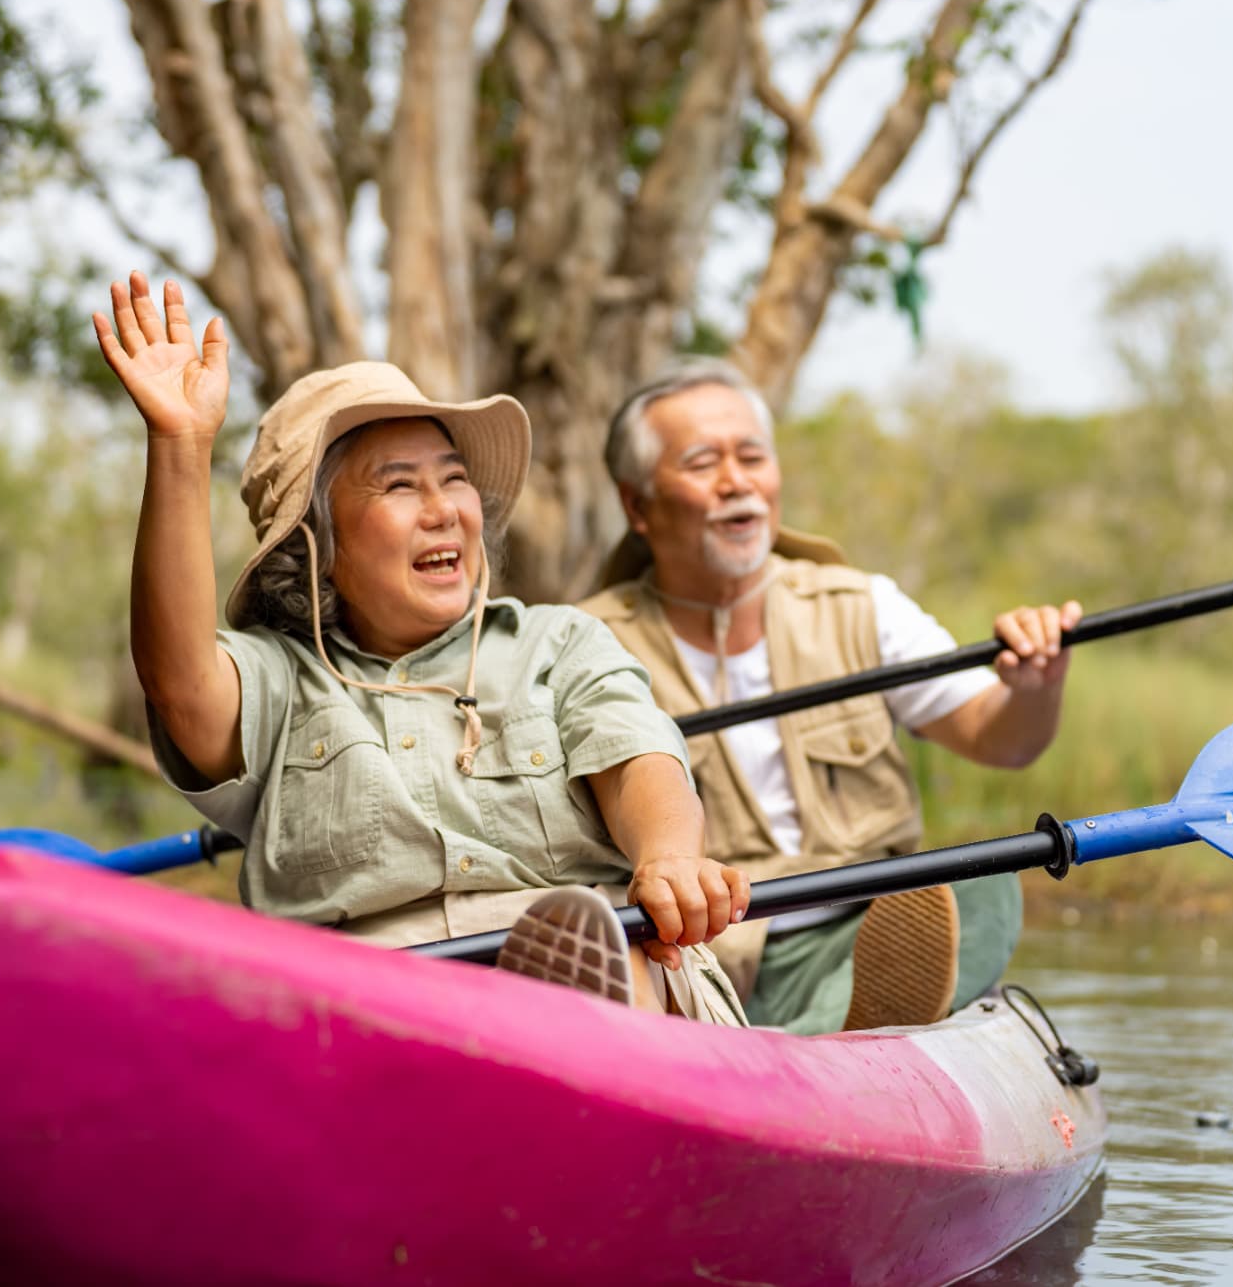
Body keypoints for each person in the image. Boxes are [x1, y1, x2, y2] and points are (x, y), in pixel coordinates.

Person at [92, 272, 749, 1021]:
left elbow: (642, 767)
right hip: (370, 1013)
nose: (444, 511)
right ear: (317, 544)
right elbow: (179, 683)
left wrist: (668, 857)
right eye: (399, 486)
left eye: (455, 479)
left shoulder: (556, 643)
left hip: (590, 965)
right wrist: (179, 444)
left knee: (609, 951)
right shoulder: (280, 679)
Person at [579, 359, 1080, 1033]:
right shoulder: (584, 643)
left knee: (989, 882)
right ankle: (809, 1046)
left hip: (867, 930)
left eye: (752, 456)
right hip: (697, 954)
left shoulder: (861, 605)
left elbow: (1004, 737)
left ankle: (811, 1042)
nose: (738, 482)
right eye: (703, 463)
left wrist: (1037, 684)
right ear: (637, 505)